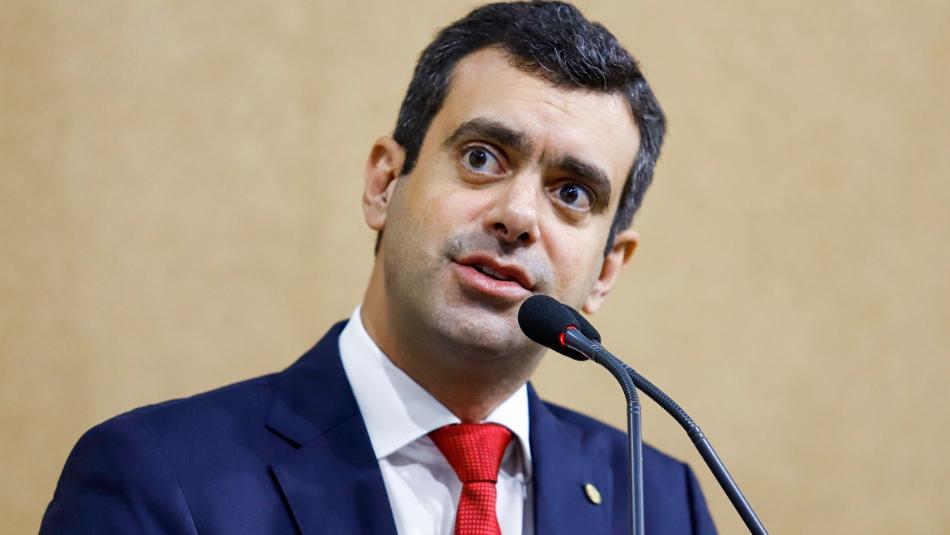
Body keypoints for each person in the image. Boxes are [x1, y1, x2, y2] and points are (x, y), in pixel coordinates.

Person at [40, 2, 717, 534]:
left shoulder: (661, 504)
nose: (518, 216)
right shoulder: (159, 478)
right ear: (385, 183)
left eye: (571, 193)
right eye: (482, 157)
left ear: (607, 269)